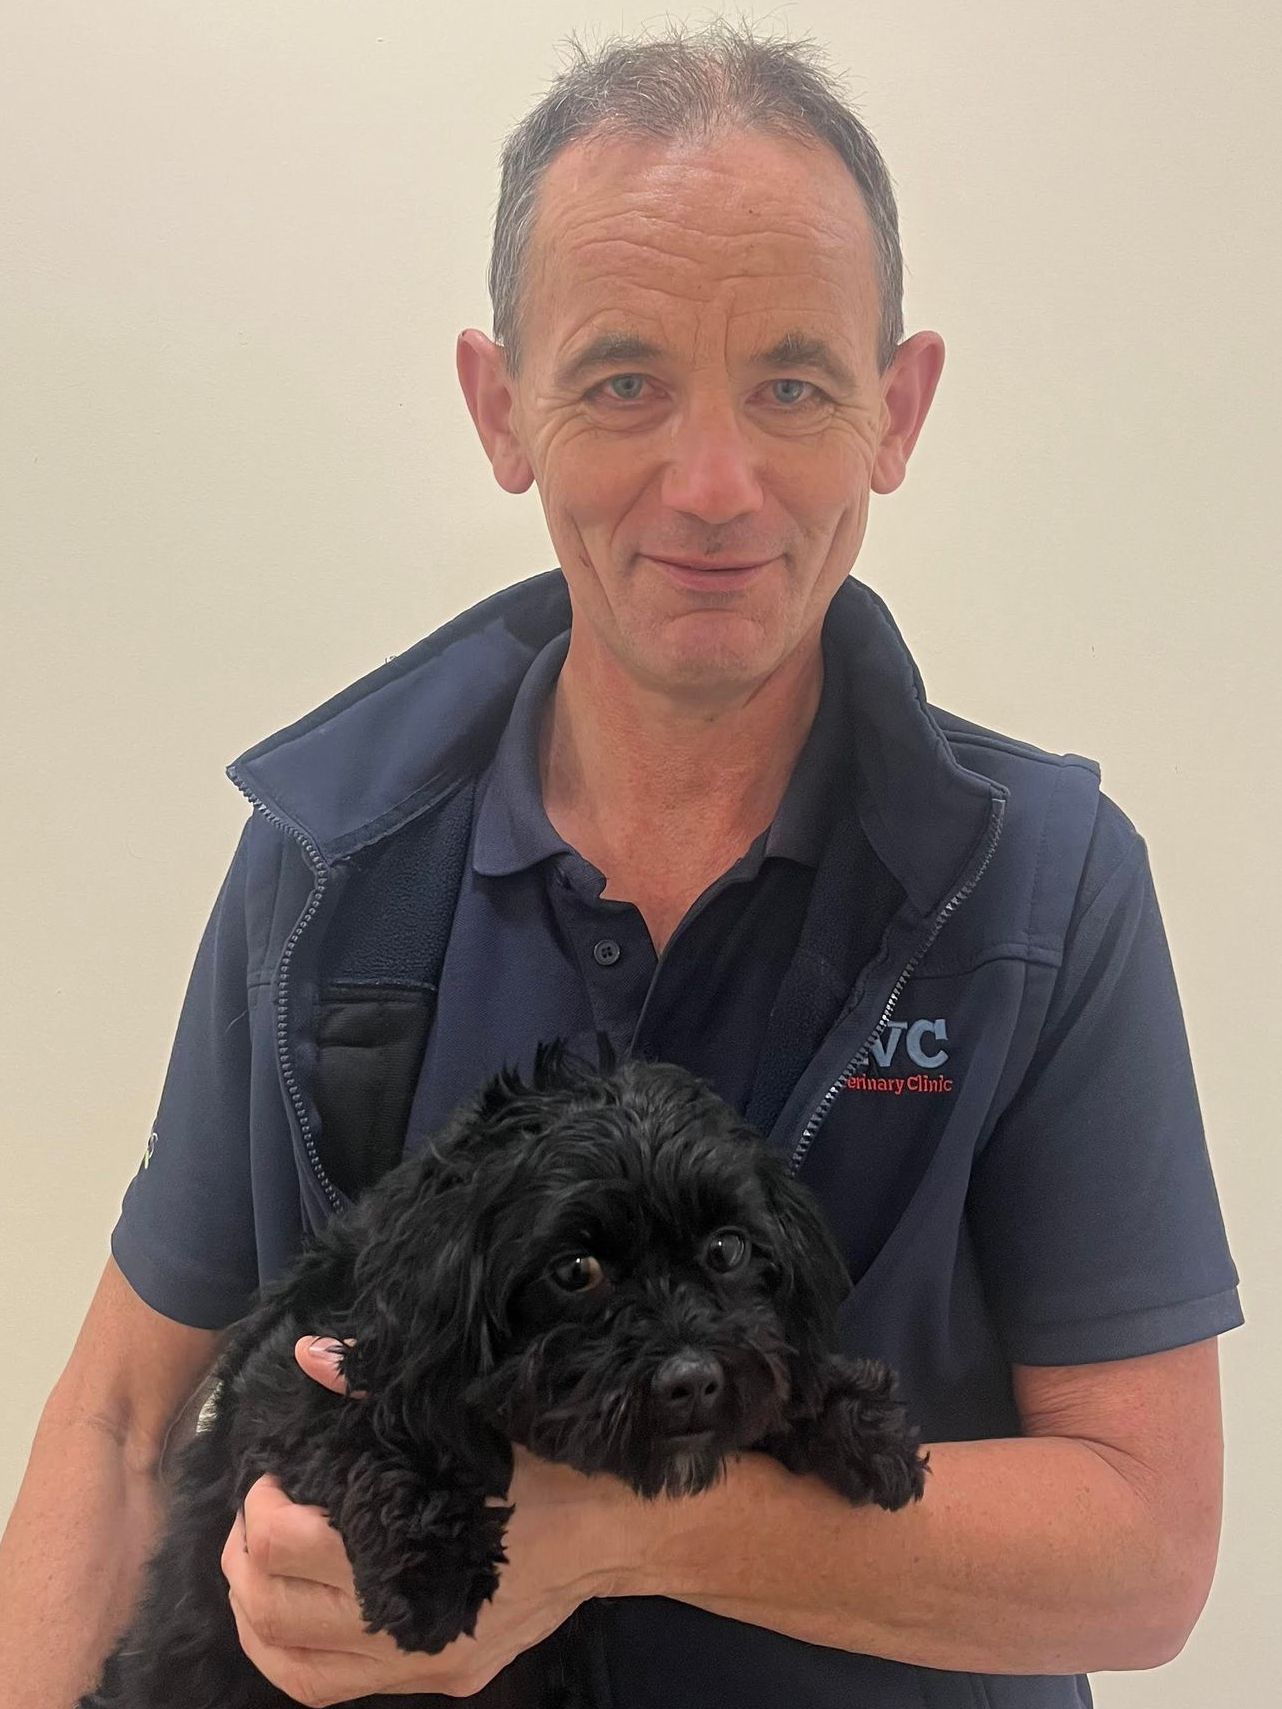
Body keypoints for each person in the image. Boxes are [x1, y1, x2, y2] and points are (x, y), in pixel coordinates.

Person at [0, 19, 1243, 1709]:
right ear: (501, 406)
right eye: (623, 380)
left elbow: (1145, 1551)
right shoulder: (322, 858)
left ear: (899, 405)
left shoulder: (1043, 883)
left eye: (793, 381)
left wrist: (595, 1530)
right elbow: (123, 1422)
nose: (713, 485)